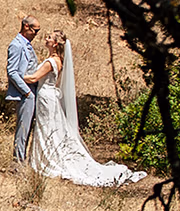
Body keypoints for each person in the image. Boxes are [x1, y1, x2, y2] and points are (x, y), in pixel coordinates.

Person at [22, 31, 146, 186]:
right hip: (49, 96)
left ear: (55, 44)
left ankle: (48, 162)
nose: (45, 39)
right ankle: (46, 159)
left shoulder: (51, 62)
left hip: (46, 97)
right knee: (49, 129)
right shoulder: (57, 60)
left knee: (47, 128)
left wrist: (16, 75)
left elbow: (34, 78)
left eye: (49, 37)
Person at [4, 15, 41, 163]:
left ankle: (23, 158)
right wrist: (26, 92)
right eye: (35, 30)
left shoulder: (26, 44)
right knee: (23, 129)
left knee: (28, 128)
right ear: (26, 27)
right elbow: (12, 71)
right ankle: (18, 162)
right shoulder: (16, 45)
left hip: (31, 90)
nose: (36, 34)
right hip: (25, 93)